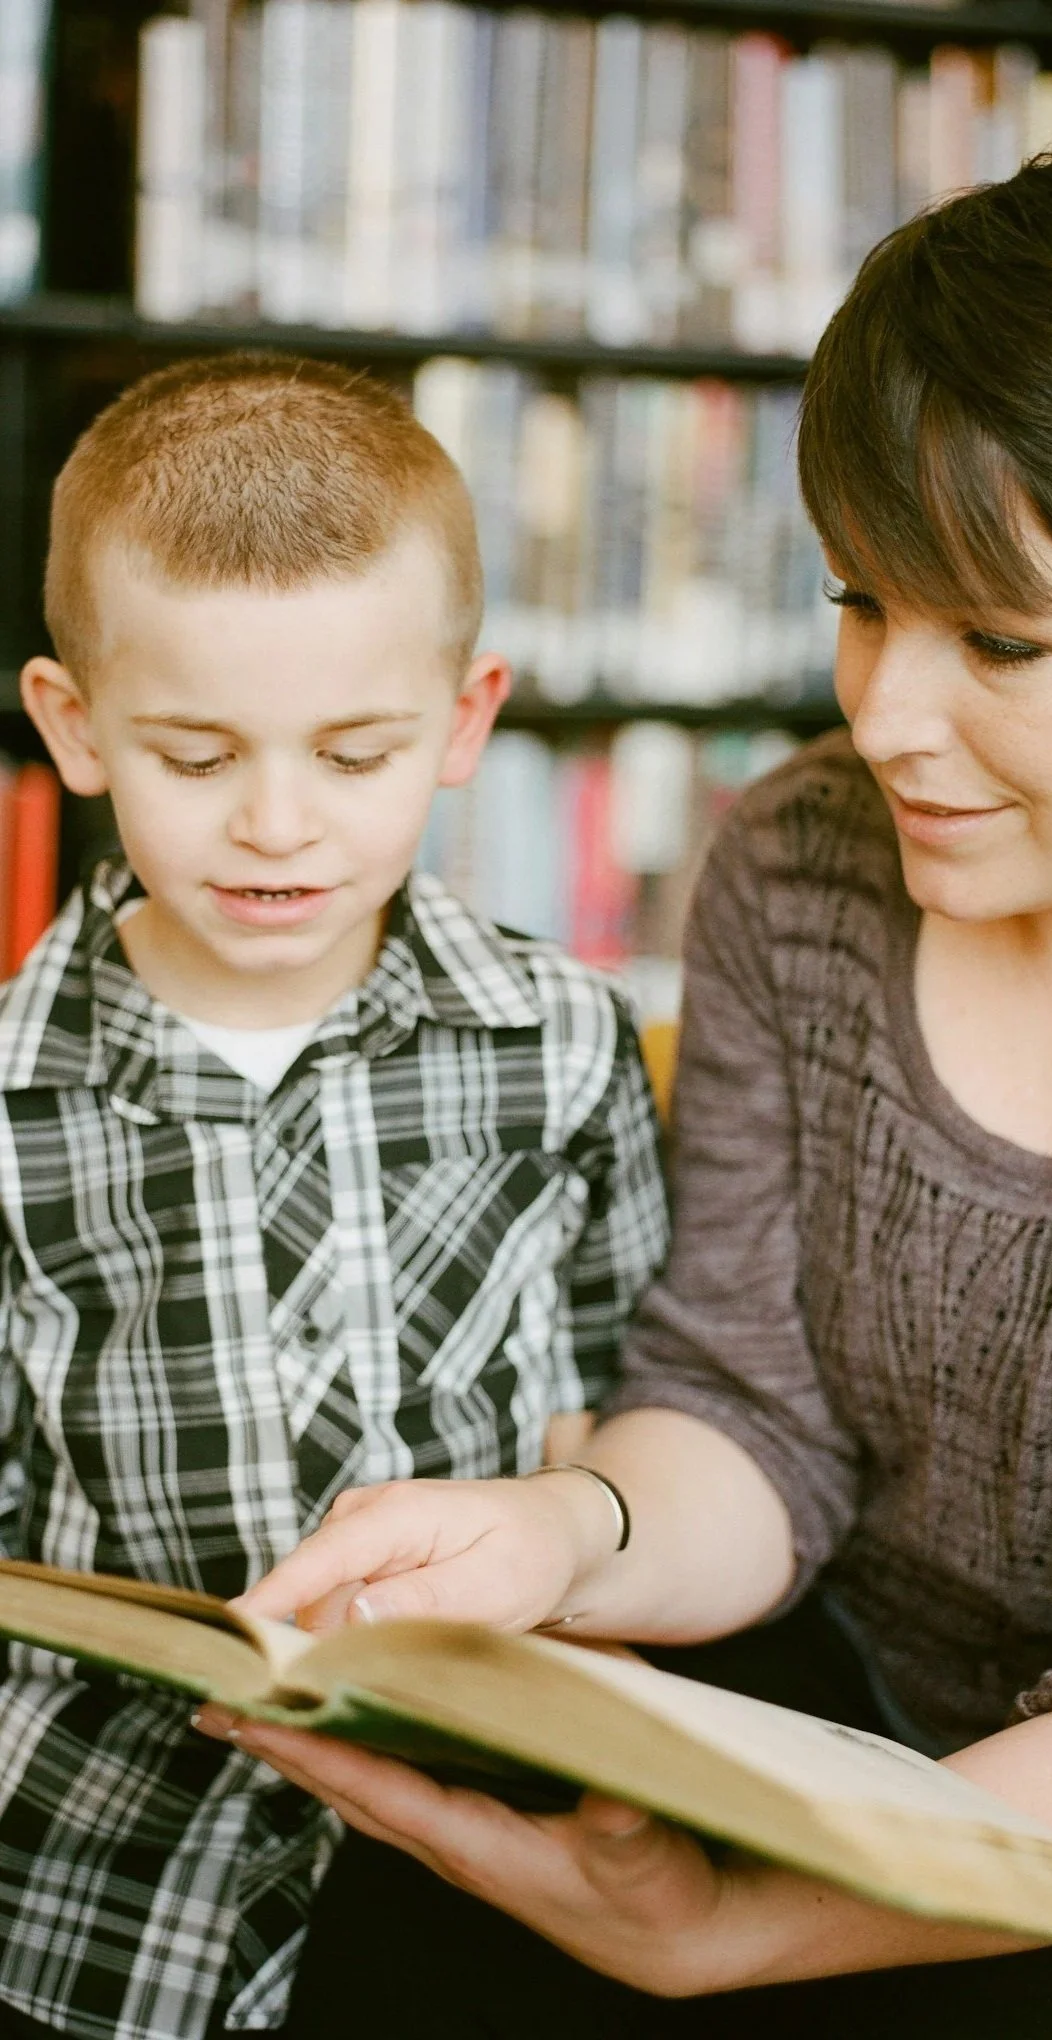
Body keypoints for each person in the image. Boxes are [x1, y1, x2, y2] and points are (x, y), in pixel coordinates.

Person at [210, 130, 1052, 2038]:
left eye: (1001, 639)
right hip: (848, 1718)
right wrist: (560, 1535)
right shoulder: (803, 862)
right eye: (861, 602)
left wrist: (738, 1924)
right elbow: (757, 1417)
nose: (887, 716)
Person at [0, 354, 668, 2040]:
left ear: (464, 723)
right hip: (94, 1871)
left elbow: (619, 1400)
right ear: (75, 730)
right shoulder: (11, 1089)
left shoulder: (565, 1043)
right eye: (198, 754)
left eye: (356, 753)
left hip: (480, 1850)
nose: (278, 824)